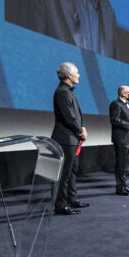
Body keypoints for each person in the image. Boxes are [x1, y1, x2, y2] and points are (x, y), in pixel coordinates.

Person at [51, 62, 88, 215]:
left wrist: (82, 127)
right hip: (66, 139)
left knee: (72, 171)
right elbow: (69, 117)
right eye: (76, 72)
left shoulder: (68, 91)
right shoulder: (62, 92)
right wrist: (80, 131)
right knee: (65, 174)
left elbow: (76, 116)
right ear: (68, 75)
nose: (79, 75)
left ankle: (72, 199)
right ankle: (61, 205)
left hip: (72, 138)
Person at [109, 85, 129, 196]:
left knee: (125, 164)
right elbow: (114, 120)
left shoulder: (127, 104)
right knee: (121, 163)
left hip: (128, 138)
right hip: (121, 138)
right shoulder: (115, 104)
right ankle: (120, 187)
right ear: (122, 93)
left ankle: (124, 185)